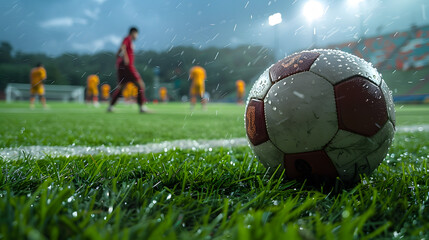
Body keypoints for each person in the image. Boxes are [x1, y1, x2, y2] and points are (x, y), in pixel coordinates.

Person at [107, 26, 148, 113]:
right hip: (128, 67)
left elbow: (119, 51)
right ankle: (142, 107)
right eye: (137, 34)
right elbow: (123, 47)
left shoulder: (127, 40)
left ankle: (110, 107)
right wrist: (125, 58)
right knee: (140, 85)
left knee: (121, 88)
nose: (137, 36)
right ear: (133, 33)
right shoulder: (128, 39)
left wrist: (118, 58)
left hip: (122, 67)